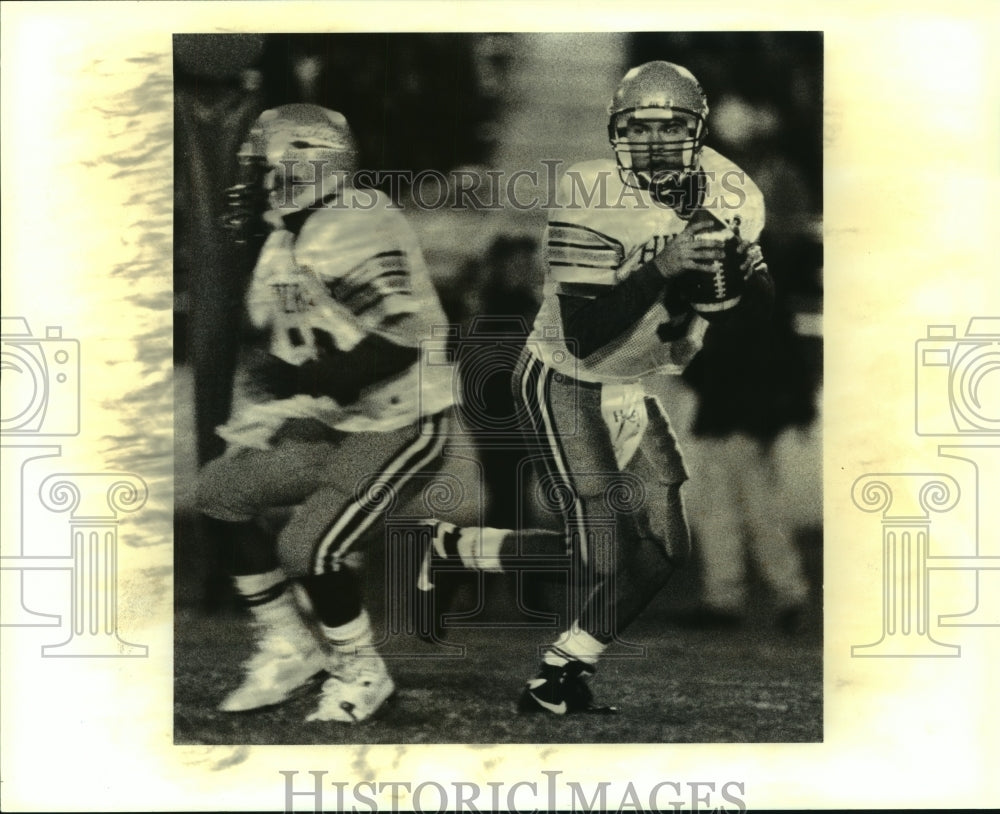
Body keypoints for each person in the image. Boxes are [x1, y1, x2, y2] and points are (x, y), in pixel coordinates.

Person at [504, 60, 773, 713]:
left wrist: (735, 286)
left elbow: (763, 305)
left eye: (670, 126)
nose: (653, 141)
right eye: (638, 126)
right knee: (605, 557)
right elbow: (583, 336)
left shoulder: (734, 191)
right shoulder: (588, 191)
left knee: (663, 552)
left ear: (698, 129)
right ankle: (463, 550)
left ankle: (559, 678)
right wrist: (665, 267)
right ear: (614, 130)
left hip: (632, 386)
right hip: (563, 379)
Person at [196, 104, 455, 723]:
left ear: (306, 162)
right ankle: (289, 646)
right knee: (220, 491)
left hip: (401, 418)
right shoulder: (290, 236)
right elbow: (294, 336)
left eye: (265, 165)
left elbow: (399, 342)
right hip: (343, 419)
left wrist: (304, 382)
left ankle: (361, 671)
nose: (256, 179)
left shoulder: (355, 220)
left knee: (309, 547)